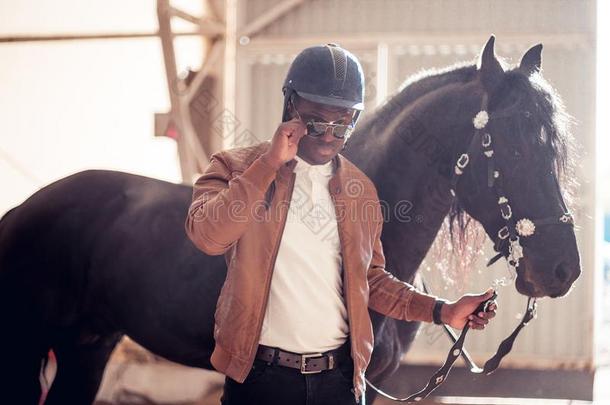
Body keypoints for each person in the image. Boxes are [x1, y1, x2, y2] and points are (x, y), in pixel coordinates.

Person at [185, 44, 497, 405]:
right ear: (290, 106)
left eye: (344, 123)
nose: (330, 136)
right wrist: (268, 164)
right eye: (316, 122)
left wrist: (443, 310)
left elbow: (370, 280)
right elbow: (207, 236)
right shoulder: (235, 167)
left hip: (339, 383)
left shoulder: (360, 191)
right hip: (260, 380)